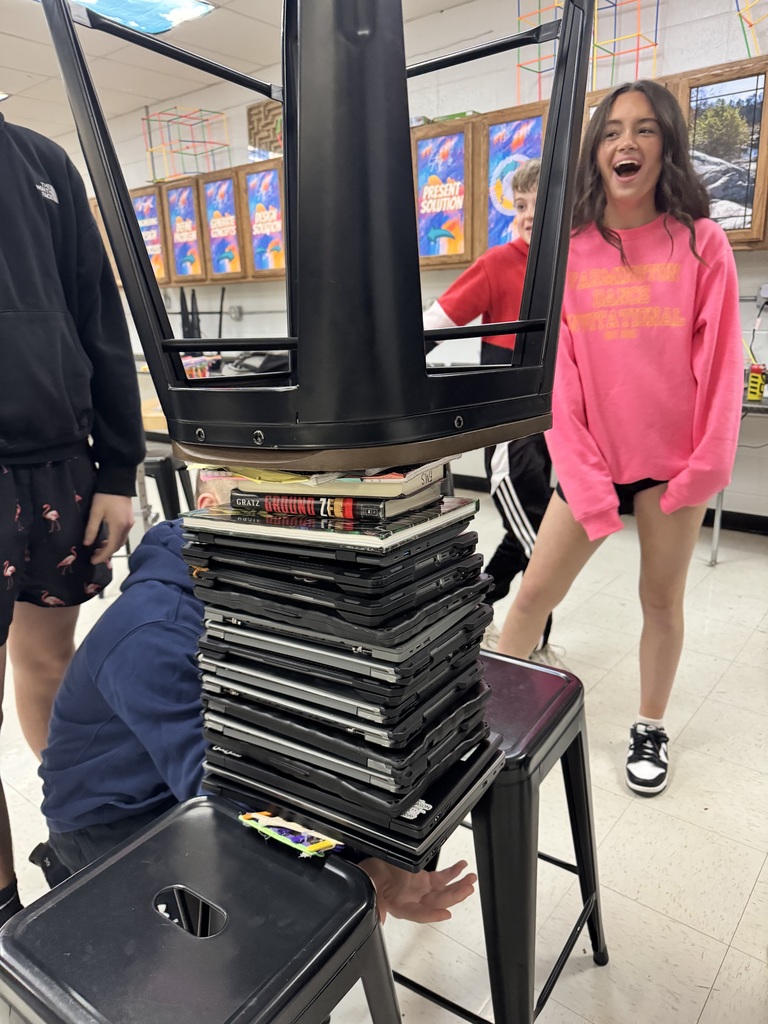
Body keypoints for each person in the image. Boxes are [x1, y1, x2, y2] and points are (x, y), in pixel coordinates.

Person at [37, 471, 477, 925]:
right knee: (266, 907)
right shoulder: (154, 635)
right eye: (270, 511)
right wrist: (350, 865)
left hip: (195, 770)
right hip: (114, 820)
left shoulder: (254, 589)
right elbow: (222, 800)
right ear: (210, 509)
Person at [496, 81, 744, 796]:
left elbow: (722, 364)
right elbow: (560, 380)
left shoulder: (703, 244)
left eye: (643, 130)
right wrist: (583, 472)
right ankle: (503, 721)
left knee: (661, 602)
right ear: (596, 151)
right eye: (611, 132)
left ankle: (650, 726)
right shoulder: (568, 252)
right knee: (531, 597)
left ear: (666, 144)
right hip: (590, 465)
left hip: (672, 469)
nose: (625, 144)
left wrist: (704, 470)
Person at [0, 113, 145, 922]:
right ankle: (5, 918)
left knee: (49, 669)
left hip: (60, 465)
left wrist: (119, 466)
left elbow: (98, 317)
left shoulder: (43, 158)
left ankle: (75, 848)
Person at [423, 158, 553, 648]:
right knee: (540, 532)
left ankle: (530, 625)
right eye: (520, 205)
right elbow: (434, 324)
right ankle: (477, 610)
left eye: (540, 205)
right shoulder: (499, 263)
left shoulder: (571, 266)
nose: (527, 214)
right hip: (509, 424)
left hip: (559, 426)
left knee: (543, 528)